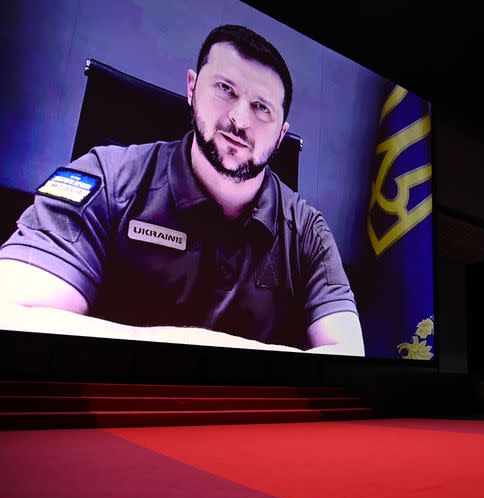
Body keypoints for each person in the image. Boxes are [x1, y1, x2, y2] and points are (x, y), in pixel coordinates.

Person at [0, 25, 364, 356]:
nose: (239, 119)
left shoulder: (308, 230)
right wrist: (202, 350)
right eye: (225, 89)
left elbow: (348, 354)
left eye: (261, 107)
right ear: (191, 88)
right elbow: (12, 314)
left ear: (281, 135)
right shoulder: (107, 179)